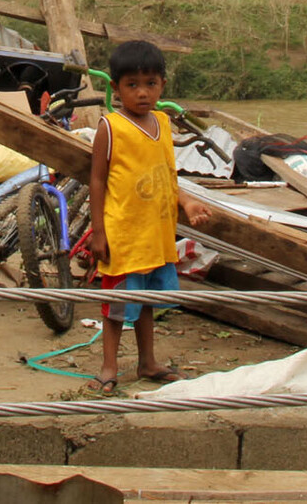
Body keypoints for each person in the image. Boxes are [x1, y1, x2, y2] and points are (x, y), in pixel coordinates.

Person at [86, 40, 212, 393]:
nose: (142, 93)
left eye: (150, 84)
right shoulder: (110, 128)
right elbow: (96, 181)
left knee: (147, 304)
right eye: (132, 85)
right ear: (116, 88)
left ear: (163, 86)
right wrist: (99, 232)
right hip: (123, 236)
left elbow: (165, 176)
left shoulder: (162, 123)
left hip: (156, 236)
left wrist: (185, 203)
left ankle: (147, 362)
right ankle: (109, 367)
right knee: (115, 308)